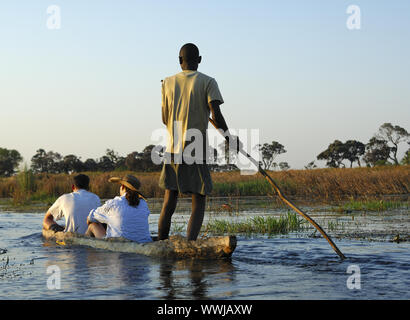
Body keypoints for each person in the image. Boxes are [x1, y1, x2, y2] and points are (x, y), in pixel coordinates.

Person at [158, 43, 236, 241]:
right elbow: (216, 114)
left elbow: (164, 118)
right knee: (199, 200)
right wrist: (229, 138)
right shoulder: (208, 82)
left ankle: (161, 243)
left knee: (169, 200)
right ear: (199, 60)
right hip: (195, 148)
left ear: (179, 60)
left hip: (172, 148)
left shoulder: (167, 83)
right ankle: (190, 245)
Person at [86, 175, 152, 243]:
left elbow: (90, 217)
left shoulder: (114, 203)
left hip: (118, 245)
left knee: (93, 225)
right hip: (145, 242)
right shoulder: (143, 204)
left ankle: (85, 250)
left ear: (122, 187)